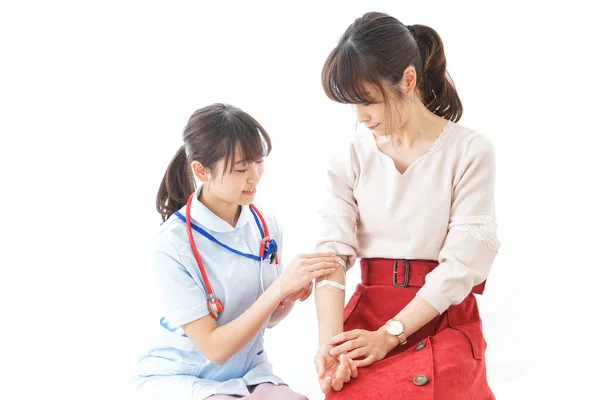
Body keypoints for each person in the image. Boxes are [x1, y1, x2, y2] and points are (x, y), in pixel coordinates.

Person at [312, 12, 500, 399]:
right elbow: (331, 258)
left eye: (368, 101)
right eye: (351, 105)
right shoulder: (349, 158)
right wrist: (332, 347)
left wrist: (389, 336)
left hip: (440, 317)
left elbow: (463, 264)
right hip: (368, 316)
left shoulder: (468, 151)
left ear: (408, 80)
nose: (360, 117)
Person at [133, 103, 342, 399]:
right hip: (184, 375)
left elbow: (270, 319)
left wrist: (290, 295)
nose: (255, 176)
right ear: (201, 170)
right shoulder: (172, 244)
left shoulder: (265, 225)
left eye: (258, 162)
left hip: (249, 372)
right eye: (241, 168)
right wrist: (279, 288)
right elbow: (214, 348)